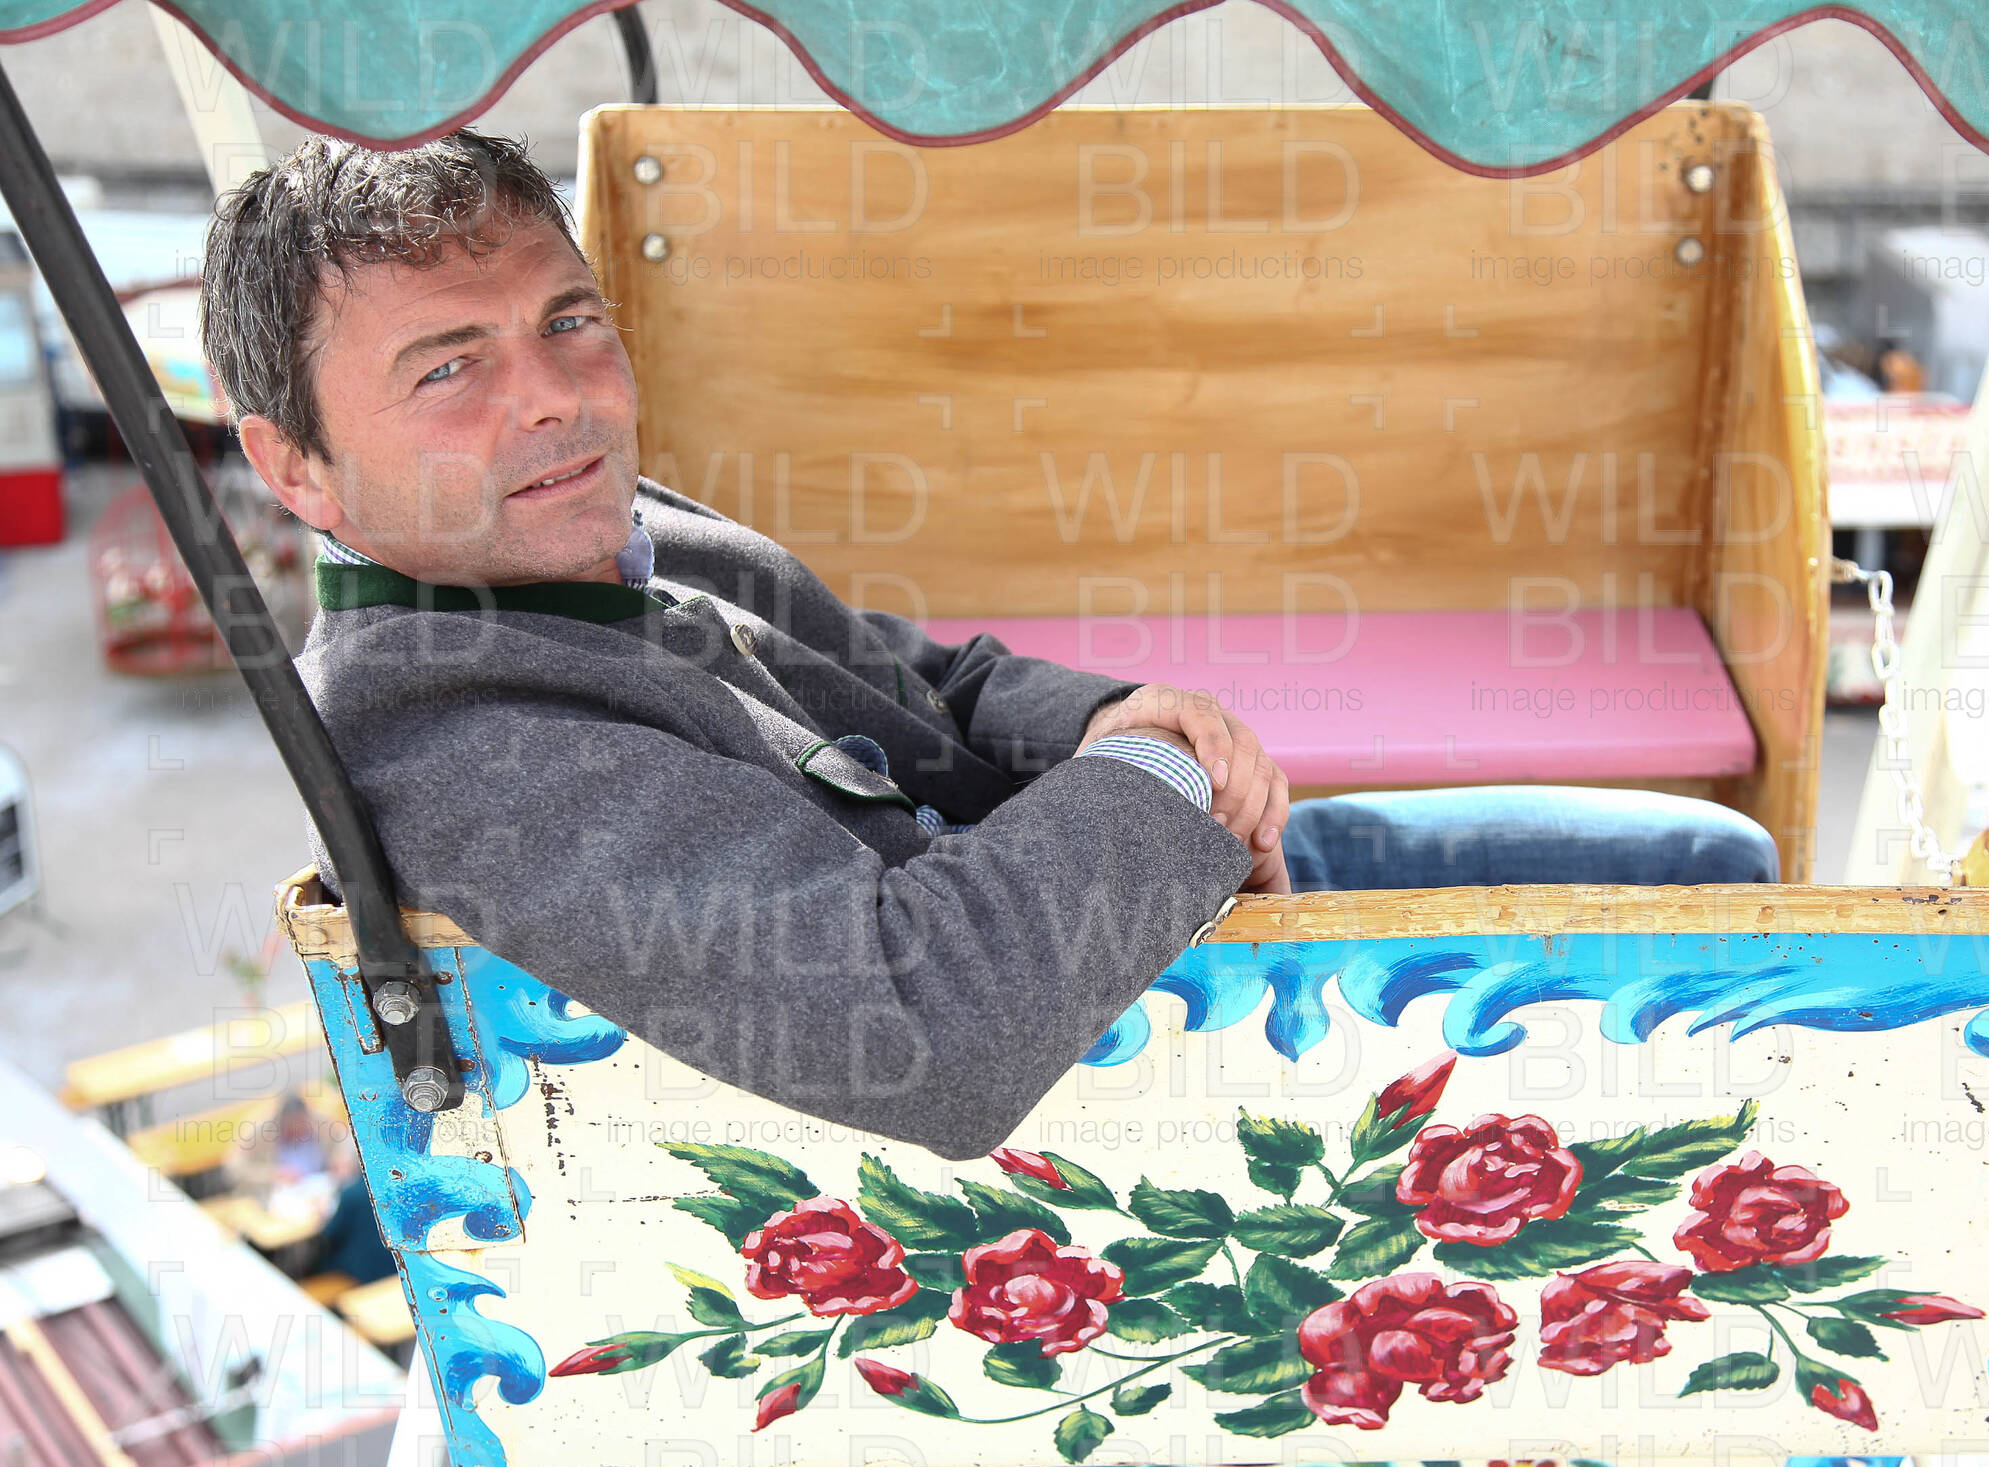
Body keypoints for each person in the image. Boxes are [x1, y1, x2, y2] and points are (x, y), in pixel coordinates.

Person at [199, 132, 1774, 1164]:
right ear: (294, 466)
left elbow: (904, 679)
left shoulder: (580, 529)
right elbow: (923, 1037)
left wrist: (1112, 715)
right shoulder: (454, 742)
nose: (553, 398)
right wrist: (1157, 773)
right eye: (448, 370)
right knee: (1747, 960)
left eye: (568, 321)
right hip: (1096, 1057)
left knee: (1715, 863)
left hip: (1117, 903)